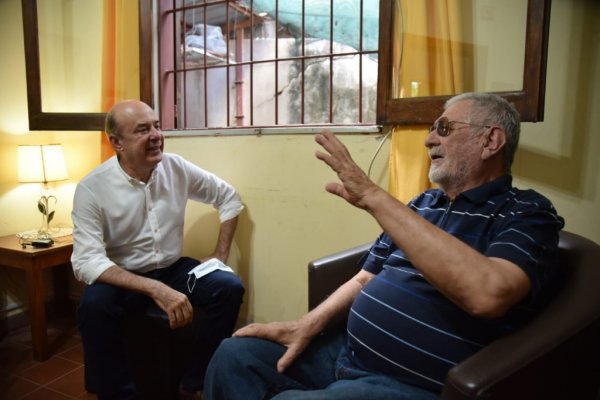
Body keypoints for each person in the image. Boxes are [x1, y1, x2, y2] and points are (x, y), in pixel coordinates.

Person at [203, 92, 565, 400]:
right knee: (233, 355)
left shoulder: (527, 212)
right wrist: (306, 324)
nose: (428, 140)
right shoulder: (423, 204)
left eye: (444, 128)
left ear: (491, 141)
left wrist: (375, 196)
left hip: (411, 383)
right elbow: (364, 279)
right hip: (345, 353)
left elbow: (488, 294)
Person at [71, 100, 245, 400]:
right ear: (117, 142)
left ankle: (195, 381)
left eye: (156, 125)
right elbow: (86, 262)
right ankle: (118, 394)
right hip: (122, 277)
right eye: (142, 130)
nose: (156, 135)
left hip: (173, 268)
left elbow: (228, 198)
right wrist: (154, 289)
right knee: (93, 307)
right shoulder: (91, 188)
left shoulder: (175, 167)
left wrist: (220, 254)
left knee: (228, 287)